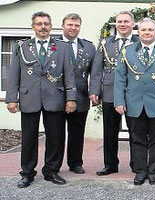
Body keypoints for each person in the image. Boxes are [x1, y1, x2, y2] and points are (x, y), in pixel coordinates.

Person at [6, 11, 76, 188]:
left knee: (55, 137)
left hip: (55, 98)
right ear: (33, 27)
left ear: (51, 26)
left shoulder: (62, 47)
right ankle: (27, 173)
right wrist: (11, 99)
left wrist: (71, 98)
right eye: (39, 24)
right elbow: (14, 74)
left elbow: (69, 74)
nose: (43, 27)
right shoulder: (21, 47)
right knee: (29, 138)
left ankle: (51, 171)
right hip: (30, 98)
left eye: (46, 24)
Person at [114, 18, 155, 185]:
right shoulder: (127, 51)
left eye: (150, 30)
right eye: (143, 30)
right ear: (138, 32)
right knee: (137, 139)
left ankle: (154, 172)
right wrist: (119, 101)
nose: (147, 33)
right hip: (134, 102)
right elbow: (120, 78)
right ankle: (140, 171)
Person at [90, 10, 139, 176]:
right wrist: (94, 90)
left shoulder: (140, 42)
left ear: (133, 24)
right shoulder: (105, 43)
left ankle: (137, 164)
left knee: (136, 131)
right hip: (110, 91)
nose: (123, 24)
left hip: (133, 93)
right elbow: (97, 70)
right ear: (115, 24)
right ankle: (110, 165)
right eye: (120, 22)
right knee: (110, 132)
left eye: (126, 21)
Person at [57, 13, 97, 175]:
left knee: (77, 133)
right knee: (56, 134)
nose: (73, 28)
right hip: (57, 97)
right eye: (70, 25)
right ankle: (54, 165)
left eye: (76, 25)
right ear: (63, 26)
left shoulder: (88, 47)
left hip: (80, 97)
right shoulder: (54, 45)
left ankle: (75, 163)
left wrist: (94, 92)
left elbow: (94, 73)